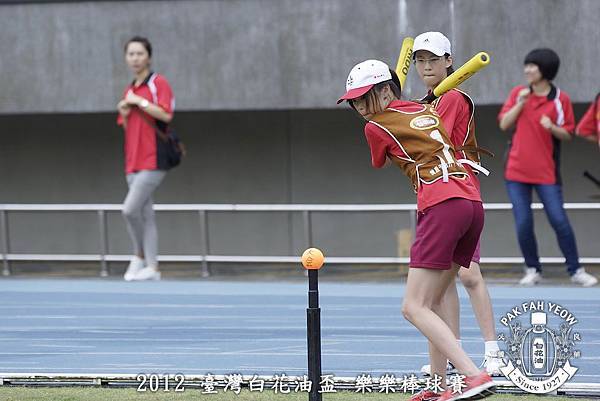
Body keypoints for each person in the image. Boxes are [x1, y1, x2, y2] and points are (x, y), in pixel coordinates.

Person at [338, 59, 495, 401]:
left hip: (441, 204)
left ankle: (473, 376)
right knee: (433, 300)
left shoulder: (375, 126)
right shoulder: (427, 110)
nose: (361, 107)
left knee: (413, 307)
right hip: (470, 202)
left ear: (385, 90)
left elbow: (378, 161)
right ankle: (438, 388)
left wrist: (387, 116)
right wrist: (402, 110)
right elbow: (418, 126)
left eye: (366, 96)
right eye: (354, 101)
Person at [411, 32, 504, 380]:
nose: (425, 67)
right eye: (420, 60)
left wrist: (406, 122)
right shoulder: (429, 102)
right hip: (436, 193)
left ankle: (492, 351)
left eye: (433, 60)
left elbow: (434, 141)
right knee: (444, 281)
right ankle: (451, 349)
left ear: (449, 61)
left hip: (457, 192)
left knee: (468, 274)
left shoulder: (451, 97)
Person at [498, 48, 597, 287]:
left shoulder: (560, 99)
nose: (527, 70)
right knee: (523, 223)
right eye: (527, 65)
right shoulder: (517, 94)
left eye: (533, 66)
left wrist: (551, 126)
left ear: (546, 70)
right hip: (516, 172)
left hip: (546, 173)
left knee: (558, 220)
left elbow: (568, 133)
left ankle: (576, 270)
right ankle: (532, 269)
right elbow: (504, 124)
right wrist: (520, 104)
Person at [117, 36, 175, 281]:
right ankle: (153, 267)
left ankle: (139, 254)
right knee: (146, 214)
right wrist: (125, 110)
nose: (135, 58)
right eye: (131, 54)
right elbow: (126, 126)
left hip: (153, 160)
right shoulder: (129, 88)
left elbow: (166, 114)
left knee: (129, 210)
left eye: (139, 53)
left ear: (148, 57)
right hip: (133, 161)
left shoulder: (157, 83)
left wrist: (138, 101)